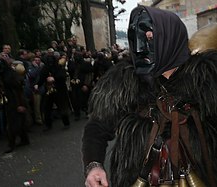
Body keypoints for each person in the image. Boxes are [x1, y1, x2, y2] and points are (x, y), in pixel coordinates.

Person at [82, 5, 217, 187]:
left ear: (170, 39)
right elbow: (97, 128)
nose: (140, 48)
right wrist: (94, 165)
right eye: (136, 39)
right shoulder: (124, 81)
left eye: (149, 39)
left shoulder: (206, 79)